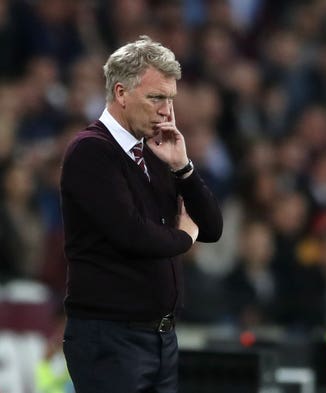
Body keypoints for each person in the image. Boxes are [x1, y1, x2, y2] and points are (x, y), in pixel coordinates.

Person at [59, 36, 223, 392]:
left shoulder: (156, 151)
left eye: (170, 99)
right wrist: (184, 237)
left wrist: (184, 168)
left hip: (161, 339)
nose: (166, 111)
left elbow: (211, 226)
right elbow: (132, 234)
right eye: (156, 98)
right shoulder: (90, 152)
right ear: (121, 93)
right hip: (110, 337)